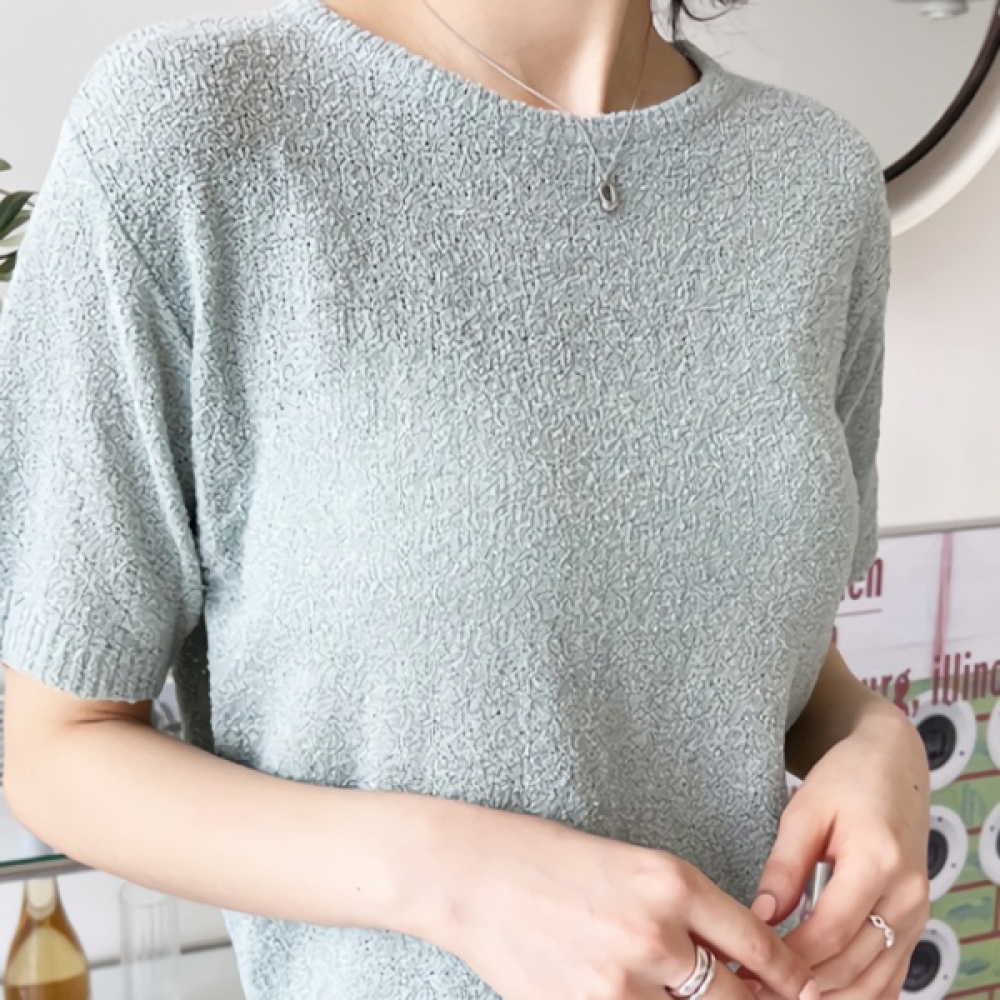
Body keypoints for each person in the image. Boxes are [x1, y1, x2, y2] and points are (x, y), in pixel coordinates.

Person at [0, 0, 931, 997]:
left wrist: (875, 740)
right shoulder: (191, 126)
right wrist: (462, 881)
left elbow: (747, 648)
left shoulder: (816, 180)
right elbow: (53, 747)